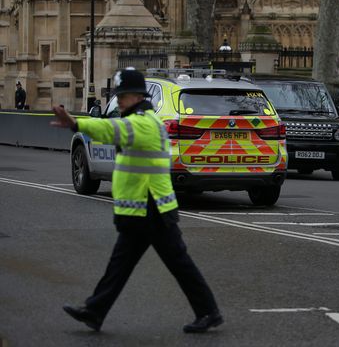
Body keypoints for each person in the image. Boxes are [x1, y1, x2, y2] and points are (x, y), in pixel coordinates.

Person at [50, 68, 222, 334]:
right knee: (121, 264)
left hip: (153, 209)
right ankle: (94, 311)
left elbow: (111, 130)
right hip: (141, 208)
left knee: (177, 263)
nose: (118, 100)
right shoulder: (140, 117)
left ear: (138, 95)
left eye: (123, 95)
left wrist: (76, 123)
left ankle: (209, 311)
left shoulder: (143, 122)